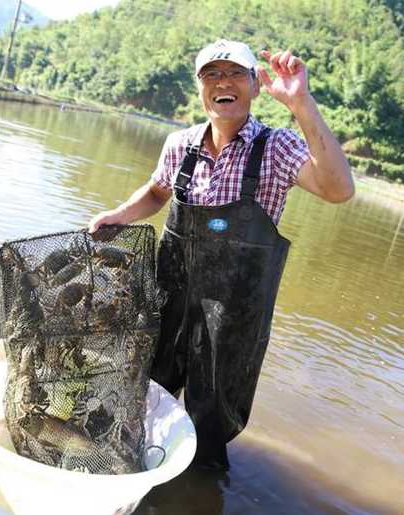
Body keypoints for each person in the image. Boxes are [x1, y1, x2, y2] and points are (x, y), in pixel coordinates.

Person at [88, 39, 354, 470]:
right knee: (143, 397)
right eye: (211, 74)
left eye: (234, 73)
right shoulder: (181, 143)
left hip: (234, 321)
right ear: (200, 88)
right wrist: (119, 213)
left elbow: (339, 190)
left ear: (254, 85)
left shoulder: (276, 147)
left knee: (209, 427)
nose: (222, 82)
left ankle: (199, 484)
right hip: (170, 303)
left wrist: (301, 102)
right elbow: (158, 191)